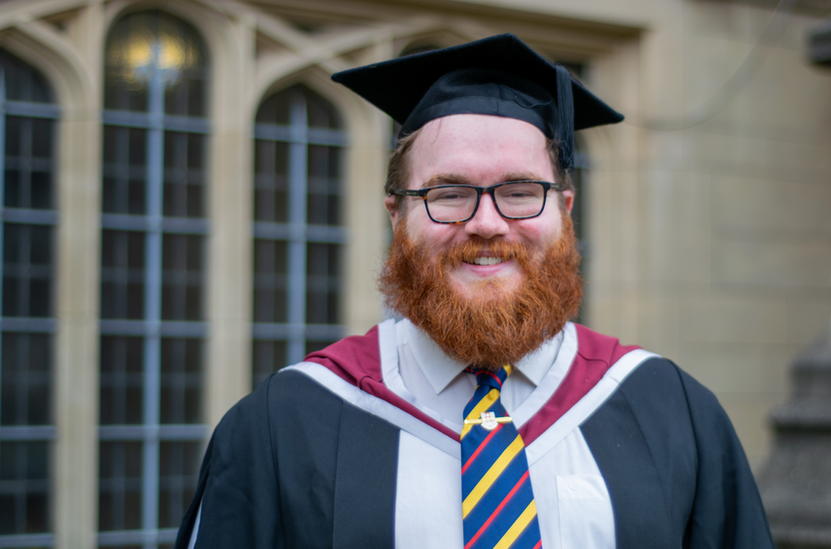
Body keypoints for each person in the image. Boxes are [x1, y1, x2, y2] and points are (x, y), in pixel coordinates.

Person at [175, 33, 775, 549]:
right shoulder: (285, 425)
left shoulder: (673, 413)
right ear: (396, 216)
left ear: (565, 211)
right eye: (448, 193)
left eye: (519, 192)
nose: (486, 223)